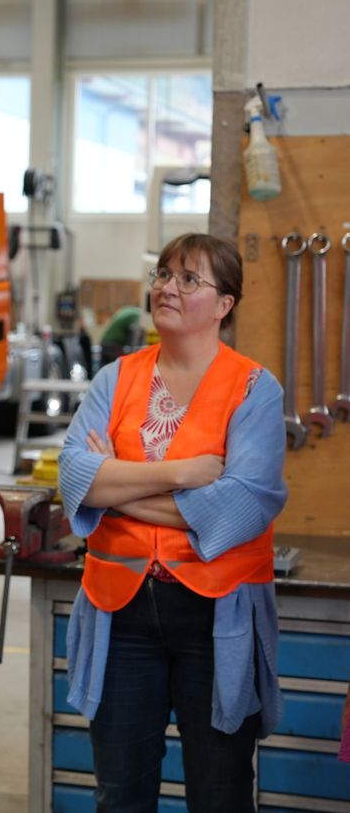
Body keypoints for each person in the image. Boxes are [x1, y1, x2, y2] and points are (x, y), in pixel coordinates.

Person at [58, 232, 287, 811]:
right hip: (121, 610)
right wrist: (187, 473)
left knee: (220, 792)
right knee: (122, 792)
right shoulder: (115, 378)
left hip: (216, 615)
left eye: (189, 279)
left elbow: (242, 507)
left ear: (225, 304)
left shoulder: (255, 391)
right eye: (163, 274)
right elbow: (73, 477)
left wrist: (114, 491)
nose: (168, 288)